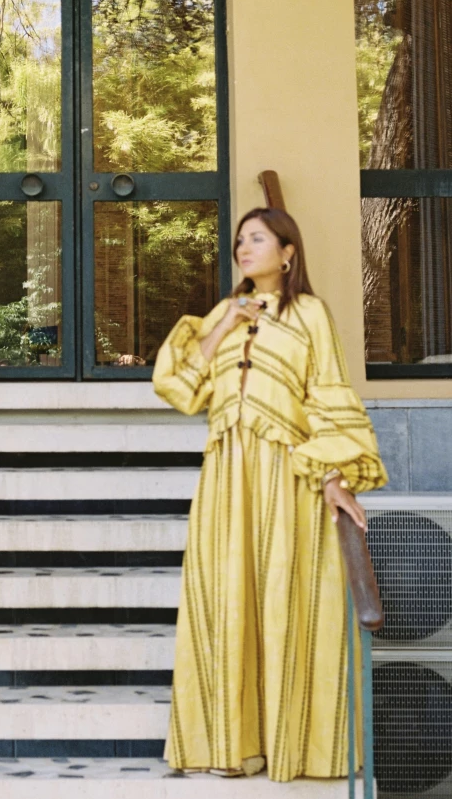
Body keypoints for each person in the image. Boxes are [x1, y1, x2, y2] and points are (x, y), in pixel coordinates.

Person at [152, 207, 387, 782]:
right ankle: (230, 746)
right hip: (226, 475)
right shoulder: (222, 314)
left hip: (288, 475)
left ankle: (299, 748)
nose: (244, 247)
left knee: (288, 600)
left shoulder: (310, 313)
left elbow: (325, 392)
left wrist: (334, 476)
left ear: (287, 253)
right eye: (240, 240)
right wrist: (223, 327)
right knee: (226, 599)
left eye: (257, 238)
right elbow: (180, 388)